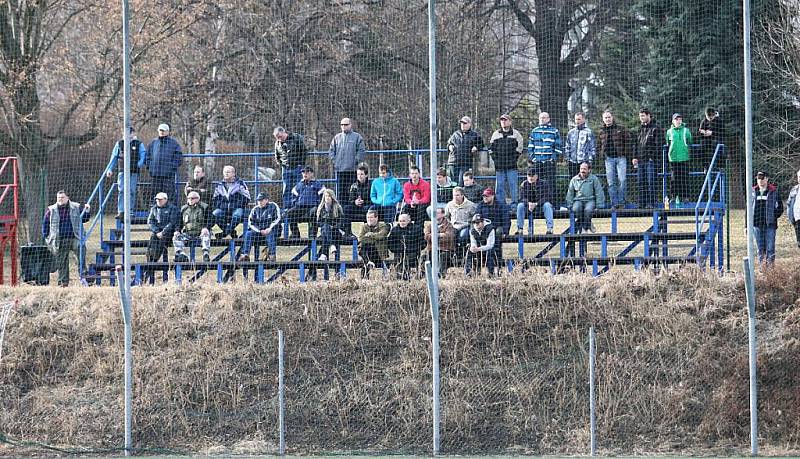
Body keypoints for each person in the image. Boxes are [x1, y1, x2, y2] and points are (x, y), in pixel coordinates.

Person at [42, 190, 91, 287]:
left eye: (62, 197)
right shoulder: (51, 210)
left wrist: (87, 210)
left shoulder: (76, 207)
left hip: (75, 237)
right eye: (58, 198)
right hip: (59, 240)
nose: (60, 199)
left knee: (81, 250)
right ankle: (63, 282)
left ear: (67, 198)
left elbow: (84, 219)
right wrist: (47, 238)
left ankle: (84, 276)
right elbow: (45, 225)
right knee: (62, 262)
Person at [106, 126, 147, 219]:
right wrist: (110, 169)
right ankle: (121, 211)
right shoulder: (119, 144)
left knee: (131, 191)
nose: (127, 135)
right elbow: (114, 157)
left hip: (133, 172)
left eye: (129, 133)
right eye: (125, 133)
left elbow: (143, 154)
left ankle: (130, 211)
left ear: (133, 133)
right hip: (122, 171)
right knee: (121, 190)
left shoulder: (138, 144)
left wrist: (139, 164)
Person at [598, 110, 631, 209]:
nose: (607, 119)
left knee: (622, 180)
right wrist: (601, 154)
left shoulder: (620, 129)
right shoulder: (601, 131)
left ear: (612, 117)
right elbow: (598, 145)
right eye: (605, 118)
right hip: (608, 159)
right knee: (611, 182)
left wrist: (625, 153)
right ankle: (614, 203)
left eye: (609, 117)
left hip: (621, 158)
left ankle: (622, 202)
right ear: (603, 119)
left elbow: (628, 141)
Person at [489, 114, 525, 206]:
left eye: (505, 120)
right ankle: (500, 204)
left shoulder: (516, 134)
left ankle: (514, 204)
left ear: (510, 121)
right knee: (499, 186)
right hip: (499, 166)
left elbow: (520, 148)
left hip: (512, 166)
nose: (503, 122)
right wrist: (496, 161)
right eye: (502, 120)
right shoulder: (496, 134)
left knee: (513, 185)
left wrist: (514, 159)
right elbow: (491, 149)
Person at [329, 117, 366, 203]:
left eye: (346, 124)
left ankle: (352, 210)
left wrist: (356, 161)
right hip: (340, 170)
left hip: (352, 170)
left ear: (350, 125)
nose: (343, 126)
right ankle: (342, 211)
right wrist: (335, 162)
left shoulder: (357, 137)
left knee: (352, 191)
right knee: (341, 193)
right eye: (342, 124)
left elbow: (361, 151)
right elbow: (331, 151)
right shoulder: (337, 138)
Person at [145, 192, 180, 282]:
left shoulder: (173, 208)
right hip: (157, 233)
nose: (158, 201)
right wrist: (157, 231)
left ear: (165, 199)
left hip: (169, 233)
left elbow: (172, 223)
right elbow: (150, 221)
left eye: (160, 199)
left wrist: (163, 232)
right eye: (157, 199)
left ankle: (152, 262)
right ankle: (150, 260)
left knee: (161, 242)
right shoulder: (154, 209)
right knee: (152, 240)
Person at [527, 111, 562, 199]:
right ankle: (538, 202)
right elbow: (530, 146)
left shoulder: (554, 131)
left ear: (548, 119)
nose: (542, 119)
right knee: (537, 182)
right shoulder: (534, 131)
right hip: (538, 162)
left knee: (551, 183)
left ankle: (552, 203)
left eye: (544, 117)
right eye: (541, 117)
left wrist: (552, 159)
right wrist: (534, 158)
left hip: (549, 162)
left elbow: (558, 147)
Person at [633, 109, 664, 209]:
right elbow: (636, 144)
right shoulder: (639, 129)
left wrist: (652, 156)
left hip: (651, 160)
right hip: (640, 160)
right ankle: (642, 203)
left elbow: (659, 145)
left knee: (651, 182)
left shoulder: (656, 128)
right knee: (641, 182)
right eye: (640, 116)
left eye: (643, 116)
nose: (641, 118)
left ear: (649, 115)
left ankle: (652, 203)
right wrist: (634, 157)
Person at [238, 192, 281, 262]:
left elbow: (277, 218)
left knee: (270, 234)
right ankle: (245, 255)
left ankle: (272, 255)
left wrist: (269, 228)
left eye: (262, 200)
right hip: (259, 232)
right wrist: (260, 230)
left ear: (267, 200)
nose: (260, 202)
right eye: (258, 200)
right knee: (248, 233)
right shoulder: (255, 209)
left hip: (272, 230)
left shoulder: (273, 206)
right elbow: (251, 223)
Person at [751, 171, 783, 266]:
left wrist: (773, 217)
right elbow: (748, 210)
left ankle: (770, 271)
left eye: (762, 178)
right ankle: (762, 269)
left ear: (767, 179)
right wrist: (746, 225)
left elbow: (780, 208)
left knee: (770, 248)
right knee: (760, 248)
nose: (760, 180)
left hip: (770, 225)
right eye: (758, 178)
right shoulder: (753, 191)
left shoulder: (773, 191)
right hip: (756, 225)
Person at [146, 123, 183, 202]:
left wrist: (170, 168)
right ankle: (155, 212)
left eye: (164, 130)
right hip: (155, 175)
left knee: (169, 196)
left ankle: (169, 212)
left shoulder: (174, 144)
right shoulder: (153, 143)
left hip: (168, 176)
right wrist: (150, 167)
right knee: (154, 195)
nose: (162, 132)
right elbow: (147, 156)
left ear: (168, 132)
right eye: (160, 130)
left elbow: (178, 158)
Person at [212, 165, 251, 239]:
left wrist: (236, 205)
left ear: (233, 173)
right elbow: (215, 199)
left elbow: (247, 197)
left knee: (238, 214)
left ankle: (225, 233)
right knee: (215, 213)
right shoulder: (219, 185)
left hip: (236, 208)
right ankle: (231, 231)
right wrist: (222, 206)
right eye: (225, 172)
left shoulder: (240, 183)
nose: (226, 174)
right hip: (223, 209)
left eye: (228, 172)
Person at [285, 165, 325, 238]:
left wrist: (317, 204)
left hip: (313, 207)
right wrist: (296, 203)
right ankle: (295, 234)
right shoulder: (299, 185)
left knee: (314, 212)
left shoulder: (318, 184)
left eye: (307, 172)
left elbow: (323, 197)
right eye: (303, 172)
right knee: (289, 213)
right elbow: (293, 196)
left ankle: (312, 235)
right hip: (300, 207)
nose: (305, 174)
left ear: (312, 173)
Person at [565, 162, 605, 233]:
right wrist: (569, 205)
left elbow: (599, 192)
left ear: (589, 170)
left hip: (590, 200)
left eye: (584, 169)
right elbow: (570, 193)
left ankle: (584, 228)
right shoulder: (574, 179)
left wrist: (599, 205)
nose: (582, 170)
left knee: (588, 210)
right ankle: (589, 223)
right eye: (581, 168)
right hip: (578, 200)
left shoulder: (594, 179)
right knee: (576, 209)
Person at [172, 191, 212, 263]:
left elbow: (211, 219)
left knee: (206, 235)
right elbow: (179, 222)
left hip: (201, 233)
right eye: (189, 198)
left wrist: (206, 228)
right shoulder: (183, 209)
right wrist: (177, 230)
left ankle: (206, 254)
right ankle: (181, 254)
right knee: (176, 237)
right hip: (188, 233)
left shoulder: (205, 207)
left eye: (193, 198)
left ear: (198, 199)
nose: (190, 200)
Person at [274, 126, 308, 208]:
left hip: (297, 167)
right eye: (277, 138)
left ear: (284, 132)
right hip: (286, 168)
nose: (279, 139)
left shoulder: (296, 138)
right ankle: (287, 208)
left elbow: (304, 150)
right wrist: (282, 164)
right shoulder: (277, 143)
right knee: (286, 189)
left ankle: (298, 207)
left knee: (298, 187)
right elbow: (277, 156)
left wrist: (301, 164)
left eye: (280, 137)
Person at [446, 116, 485, 185]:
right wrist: (450, 146)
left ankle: (462, 195)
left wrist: (476, 147)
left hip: (465, 162)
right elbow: (449, 143)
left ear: (470, 124)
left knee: (462, 183)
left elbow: (481, 144)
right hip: (453, 162)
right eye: (461, 123)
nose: (463, 125)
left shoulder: (474, 135)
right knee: (453, 183)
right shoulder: (455, 134)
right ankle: (454, 196)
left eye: (465, 123)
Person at [516, 166, 554, 235]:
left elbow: (548, 197)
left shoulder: (544, 183)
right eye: (528, 175)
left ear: (536, 176)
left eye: (532, 175)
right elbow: (521, 198)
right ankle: (520, 229)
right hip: (528, 207)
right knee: (520, 206)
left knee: (547, 205)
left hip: (540, 207)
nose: (530, 177)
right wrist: (528, 203)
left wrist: (536, 204)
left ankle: (550, 229)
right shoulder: (524, 184)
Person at [665, 113, 693, 204]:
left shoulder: (686, 130)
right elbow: (667, 142)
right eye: (676, 119)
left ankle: (685, 197)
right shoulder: (669, 131)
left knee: (685, 177)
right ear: (673, 121)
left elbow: (690, 141)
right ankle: (673, 196)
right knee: (674, 178)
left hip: (684, 157)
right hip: (673, 158)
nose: (678, 121)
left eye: (680, 119)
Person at [388, 212, 425, 279]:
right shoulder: (394, 230)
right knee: (399, 260)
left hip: (413, 252)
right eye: (400, 221)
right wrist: (398, 249)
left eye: (404, 221)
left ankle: (412, 276)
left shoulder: (417, 229)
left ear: (409, 220)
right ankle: (400, 277)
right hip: (399, 252)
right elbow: (390, 243)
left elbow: (422, 243)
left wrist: (413, 249)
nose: (402, 223)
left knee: (409, 259)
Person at [563, 112, 596, 185]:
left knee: (585, 182)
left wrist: (589, 161)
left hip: (584, 162)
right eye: (576, 119)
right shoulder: (571, 132)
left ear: (583, 119)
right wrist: (568, 158)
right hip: (572, 161)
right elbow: (567, 146)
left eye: (579, 119)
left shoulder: (588, 132)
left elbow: (592, 147)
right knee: (573, 182)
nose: (577, 121)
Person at [424, 207, 456, 277]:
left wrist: (435, 235)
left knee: (442, 256)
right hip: (432, 249)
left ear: (443, 214)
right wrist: (440, 235)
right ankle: (425, 275)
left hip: (445, 249)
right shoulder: (429, 225)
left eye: (438, 213)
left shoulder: (448, 225)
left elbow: (449, 237)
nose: (435, 214)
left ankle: (440, 275)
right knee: (424, 256)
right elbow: (426, 237)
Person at [315, 189, 346, 261]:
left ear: (332, 197)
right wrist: (327, 226)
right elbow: (318, 223)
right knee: (325, 226)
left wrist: (333, 227)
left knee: (325, 234)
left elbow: (341, 222)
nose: (327, 197)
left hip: (336, 232)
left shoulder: (338, 207)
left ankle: (323, 254)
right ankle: (332, 245)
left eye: (329, 196)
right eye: (326, 196)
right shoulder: (320, 208)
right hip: (325, 231)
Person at [357, 209, 390, 277]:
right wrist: (375, 238)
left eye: (371, 217)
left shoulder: (383, 225)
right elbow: (361, 238)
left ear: (376, 218)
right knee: (363, 246)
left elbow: (381, 235)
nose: (369, 219)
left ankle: (367, 263)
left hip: (379, 253)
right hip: (367, 252)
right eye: (368, 217)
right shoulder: (364, 226)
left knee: (364, 248)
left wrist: (370, 235)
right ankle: (368, 262)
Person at [343, 164, 371, 236]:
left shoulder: (371, 185)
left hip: (366, 206)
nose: (360, 176)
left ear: (366, 175)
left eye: (362, 174)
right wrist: (355, 201)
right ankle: (348, 232)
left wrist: (364, 201)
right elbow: (350, 199)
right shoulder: (354, 185)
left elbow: (372, 198)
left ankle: (367, 232)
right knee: (346, 208)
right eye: (358, 174)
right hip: (356, 207)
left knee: (369, 209)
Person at [786, 169, 800, 248]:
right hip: (797, 219)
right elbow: (789, 204)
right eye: (799, 177)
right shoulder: (794, 189)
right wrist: (790, 217)